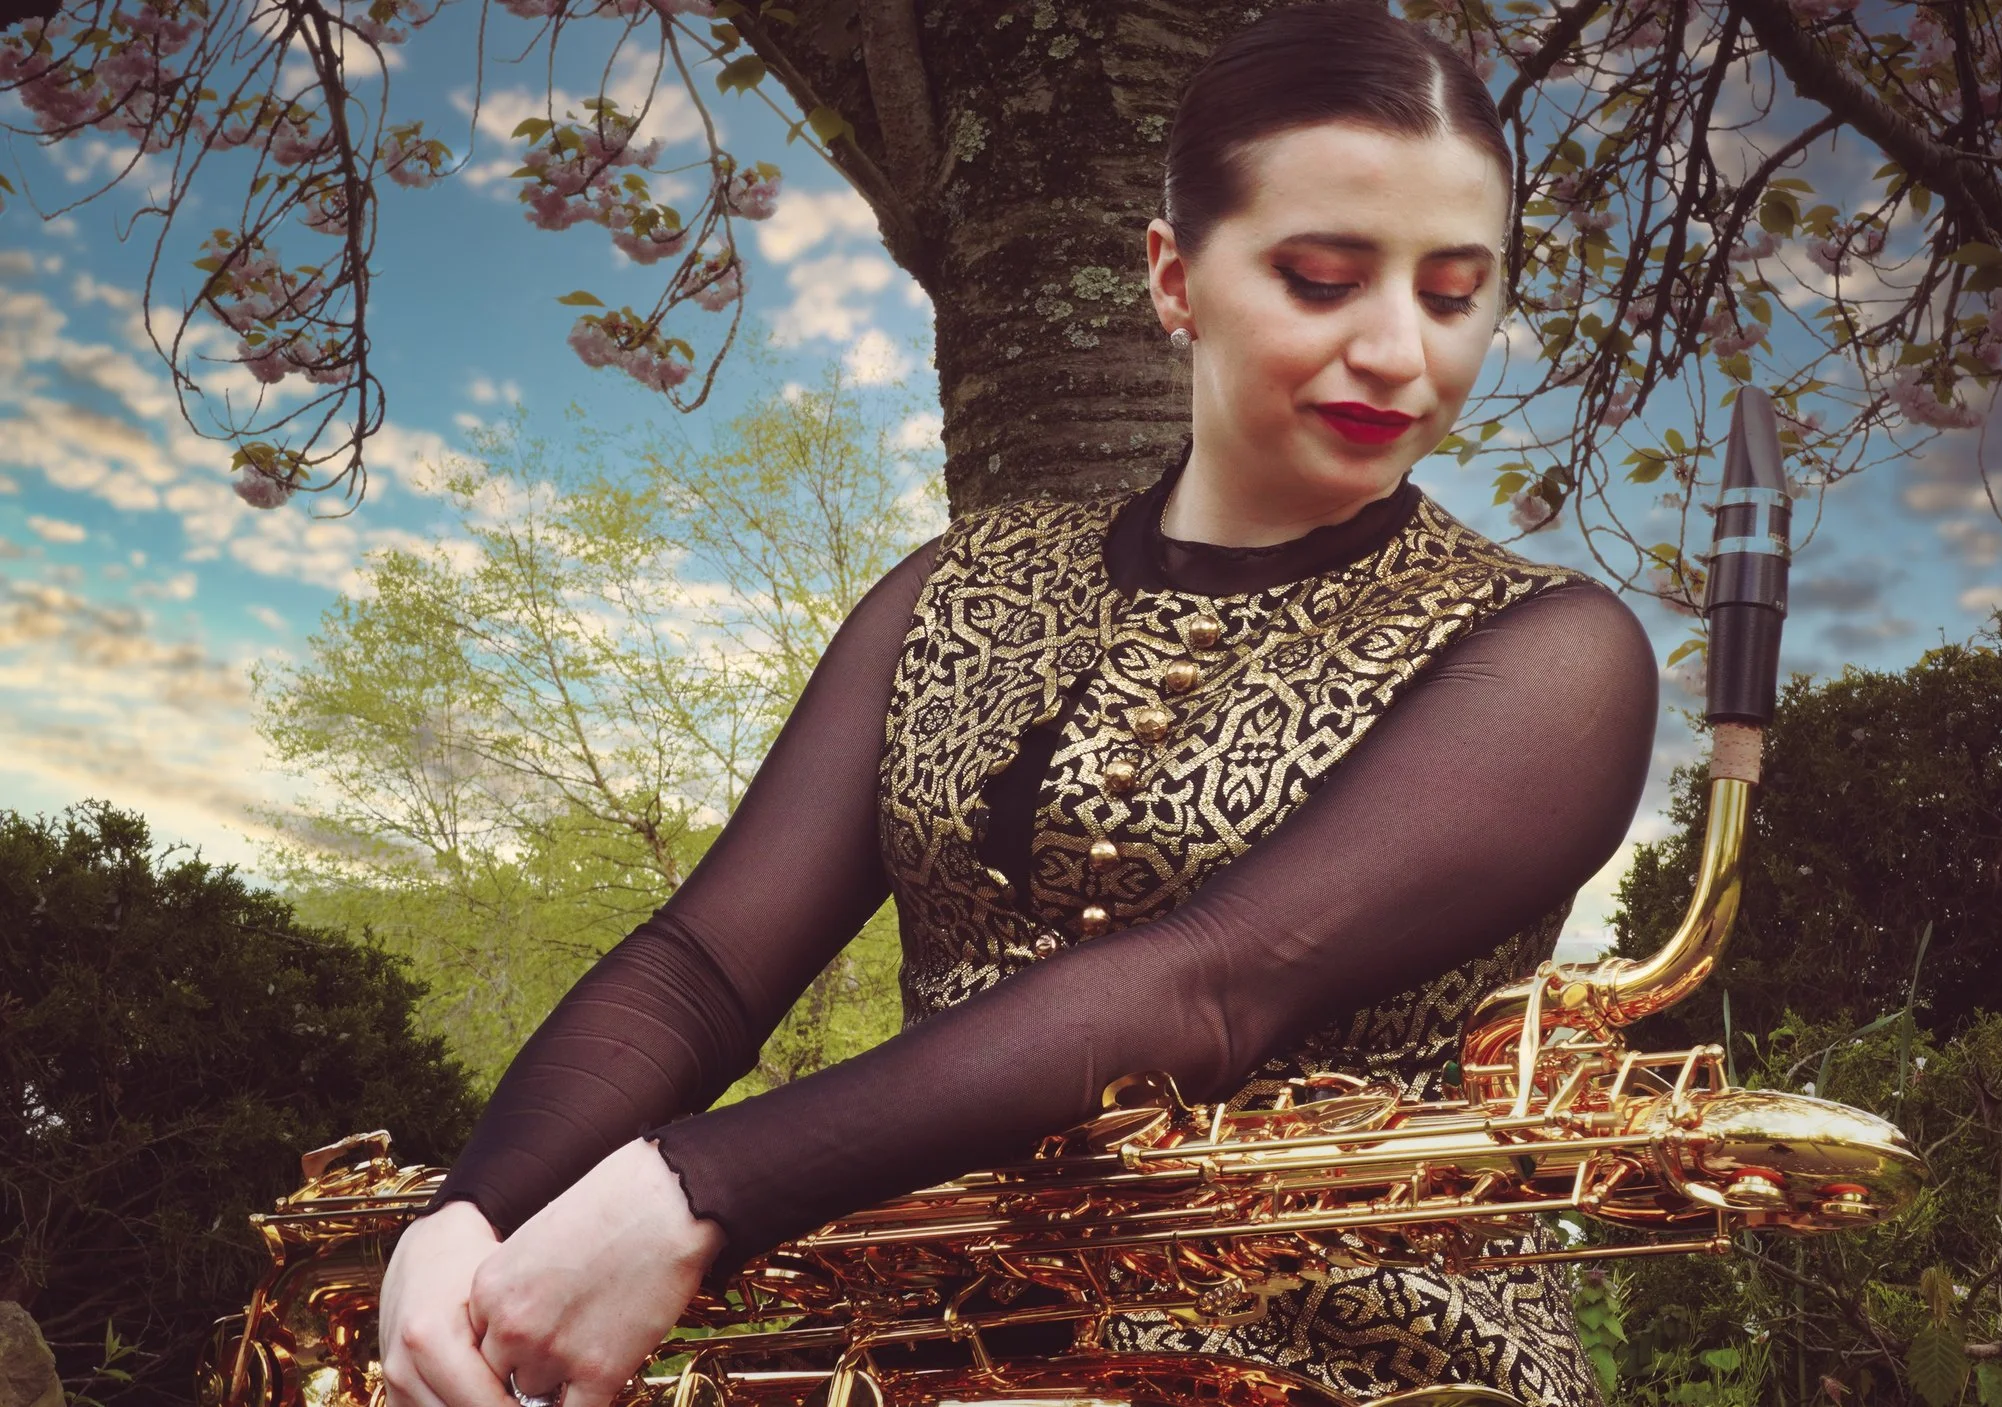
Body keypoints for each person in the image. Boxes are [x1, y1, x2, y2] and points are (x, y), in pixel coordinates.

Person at [376, 6, 1657, 1407]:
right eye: (1322, 279)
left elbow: (1209, 985)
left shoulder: (1551, 654)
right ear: (1173, 277)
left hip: (1364, 1362)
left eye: (1455, 295)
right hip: (929, 1348)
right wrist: (473, 1214)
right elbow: (705, 968)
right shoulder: (955, 587)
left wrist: (694, 1187)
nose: (1401, 351)